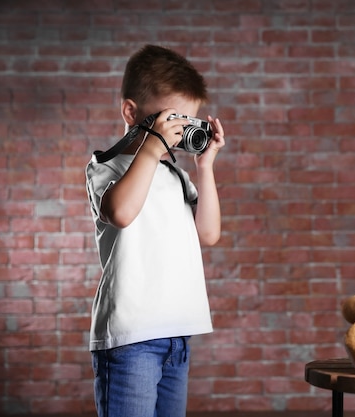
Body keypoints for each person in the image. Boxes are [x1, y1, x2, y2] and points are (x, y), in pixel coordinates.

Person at [85, 44, 225, 417]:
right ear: (131, 112)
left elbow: (208, 234)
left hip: (177, 334)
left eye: (186, 123)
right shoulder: (108, 167)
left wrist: (205, 165)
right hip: (131, 338)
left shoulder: (175, 175)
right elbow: (121, 212)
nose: (178, 133)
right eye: (171, 121)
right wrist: (150, 148)